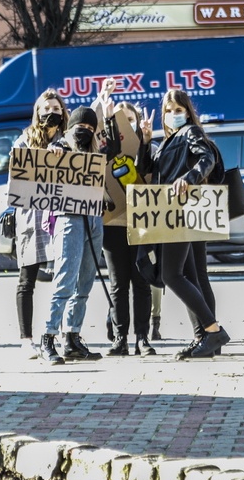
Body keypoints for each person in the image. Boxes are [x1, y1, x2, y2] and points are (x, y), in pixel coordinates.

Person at [139, 89, 230, 359]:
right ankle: (205, 338)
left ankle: (212, 332)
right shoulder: (168, 141)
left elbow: (208, 159)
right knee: (194, 276)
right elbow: (146, 170)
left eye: (178, 110)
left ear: (188, 112)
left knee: (172, 275)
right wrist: (145, 141)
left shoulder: (190, 133)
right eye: (168, 111)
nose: (173, 115)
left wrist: (188, 179)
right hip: (170, 212)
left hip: (180, 210)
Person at [39, 101, 120, 364]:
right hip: (69, 218)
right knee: (65, 280)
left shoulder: (96, 153)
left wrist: (108, 118)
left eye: (89, 126)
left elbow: (115, 149)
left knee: (84, 282)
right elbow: (43, 167)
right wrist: (54, 149)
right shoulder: (60, 148)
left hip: (94, 218)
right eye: (79, 126)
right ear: (70, 127)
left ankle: (72, 337)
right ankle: (48, 337)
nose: (84, 130)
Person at [13, 90, 70, 361]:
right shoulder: (24, 141)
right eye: (46, 107)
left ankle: (58, 334)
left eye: (55, 106)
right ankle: (26, 339)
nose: (51, 111)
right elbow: (17, 178)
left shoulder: (68, 139)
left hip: (61, 217)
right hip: (32, 219)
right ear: (37, 112)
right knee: (27, 281)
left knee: (63, 279)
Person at [104, 101, 157, 357]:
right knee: (118, 284)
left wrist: (145, 141)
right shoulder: (107, 150)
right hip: (113, 225)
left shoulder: (149, 148)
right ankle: (120, 338)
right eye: (121, 119)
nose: (127, 123)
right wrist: (106, 115)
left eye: (131, 118)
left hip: (142, 224)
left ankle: (142, 338)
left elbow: (149, 173)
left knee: (141, 281)